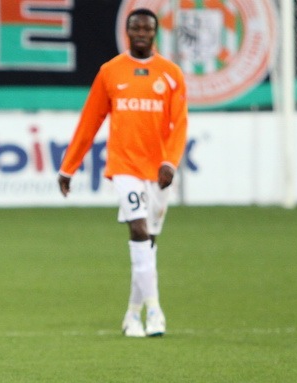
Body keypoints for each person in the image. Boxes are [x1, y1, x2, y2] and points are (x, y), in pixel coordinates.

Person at [56, 8, 187, 337]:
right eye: (135, 28)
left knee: (149, 243)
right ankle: (155, 311)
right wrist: (69, 166)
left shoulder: (171, 74)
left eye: (147, 29)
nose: (141, 33)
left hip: (158, 170)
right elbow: (90, 122)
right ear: (127, 32)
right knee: (139, 230)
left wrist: (170, 162)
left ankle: (132, 314)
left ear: (155, 32)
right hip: (124, 166)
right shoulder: (110, 72)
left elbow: (180, 124)